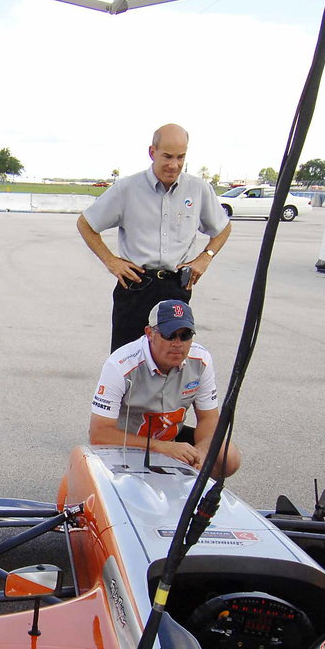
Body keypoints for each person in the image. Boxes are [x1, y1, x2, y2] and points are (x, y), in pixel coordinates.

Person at [77, 124, 231, 350]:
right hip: (136, 287)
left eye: (181, 157)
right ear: (152, 152)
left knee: (172, 362)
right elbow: (86, 224)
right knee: (125, 363)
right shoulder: (127, 189)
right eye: (167, 156)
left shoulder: (198, 190)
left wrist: (205, 257)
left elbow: (223, 229)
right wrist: (111, 261)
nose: (174, 164)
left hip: (176, 289)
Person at [89, 299, 240, 475]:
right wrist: (161, 448)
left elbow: (209, 419)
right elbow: (99, 434)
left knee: (228, 456)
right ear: (149, 333)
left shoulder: (202, 360)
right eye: (170, 335)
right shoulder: (120, 365)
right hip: (125, 446)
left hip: (171, 442)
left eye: (185, 336)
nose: (178, 343)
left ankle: (195, 490)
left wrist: (201, 453)